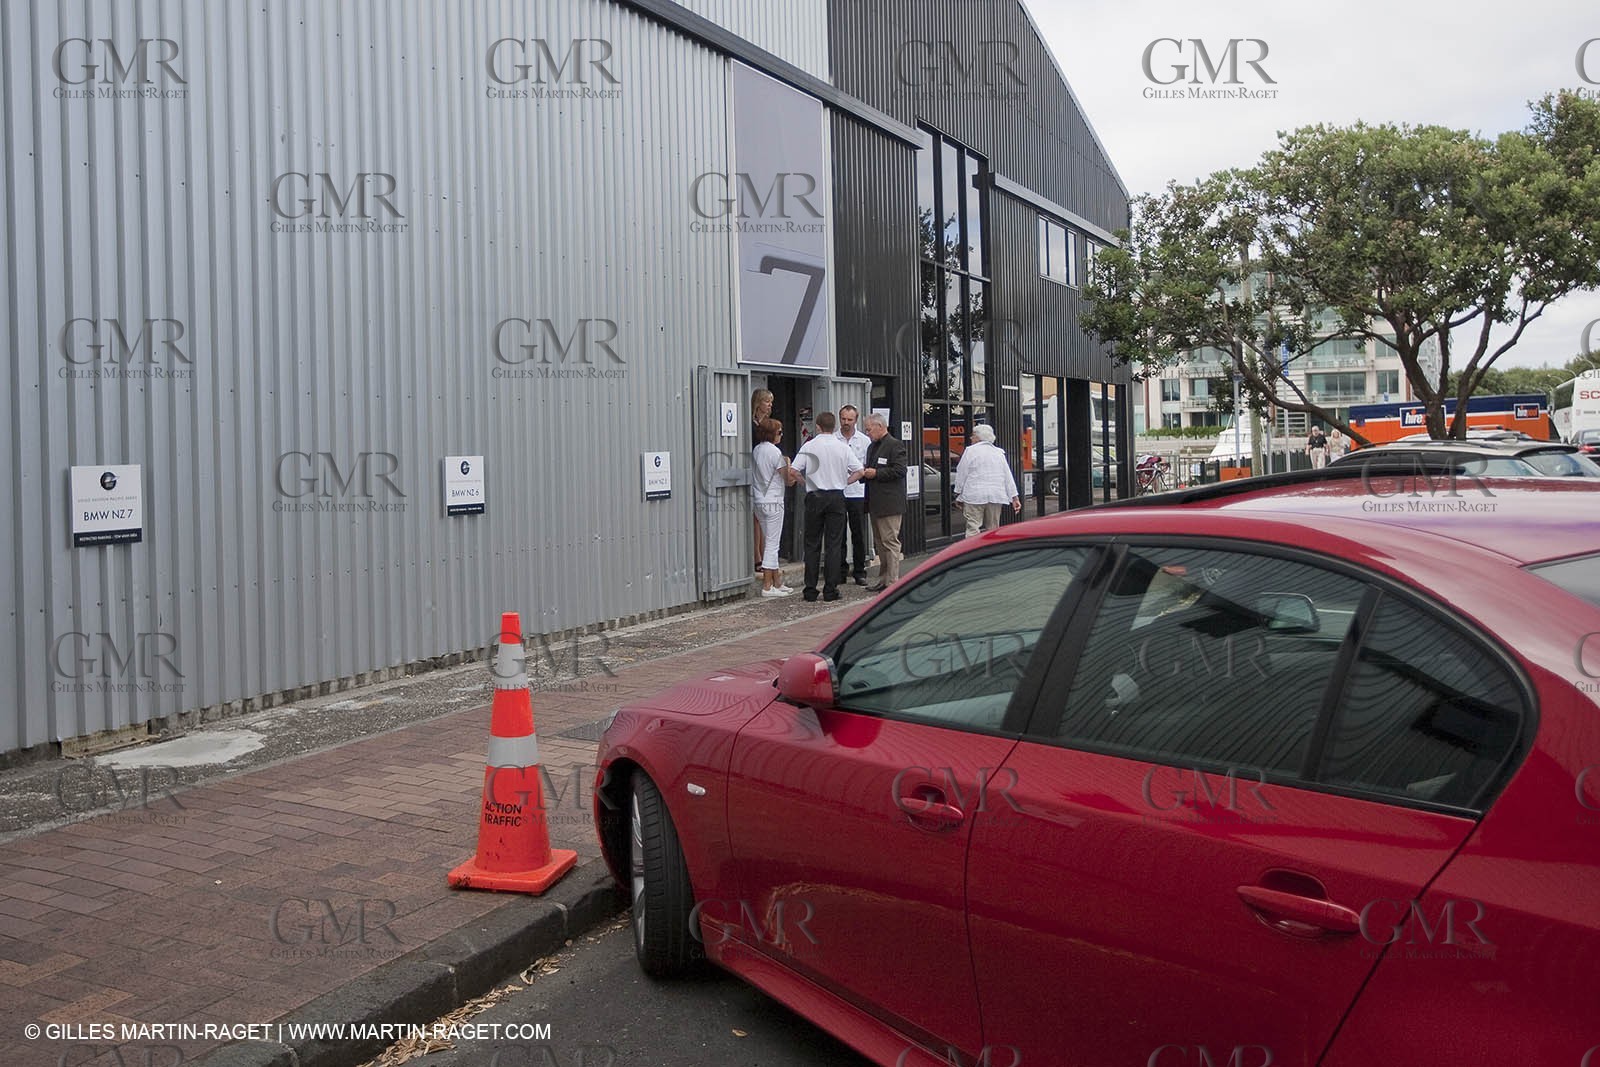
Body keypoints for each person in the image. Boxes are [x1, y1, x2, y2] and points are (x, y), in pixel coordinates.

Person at [789, 411, 864, 602]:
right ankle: (831, 589)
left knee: (812, 543)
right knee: (834, 544)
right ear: (834, 426)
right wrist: (844, 482)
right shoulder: (842, 447)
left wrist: (805, 483)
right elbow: (859, 471)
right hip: (836, 496)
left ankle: (810, 589)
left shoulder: (810, 446)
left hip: (815, 495)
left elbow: (793, 470)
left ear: (818, 426)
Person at [859, 413, 907, 592]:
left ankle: (893, 582)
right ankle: (883, 579)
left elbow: (900, 470)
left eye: (869, 429)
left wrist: (876, 473)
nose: (867, 432)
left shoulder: (895, 445)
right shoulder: (872, 447)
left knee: (890, 542)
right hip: (875, 503)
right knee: (880, 543)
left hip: (890, 503)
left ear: (880, 426)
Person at [953, 424, 1020, 539]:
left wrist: (958, 493)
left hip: (974, 495)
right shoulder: (999, 453)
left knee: (973, 528)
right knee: (993, 528)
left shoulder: (970, 451)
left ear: (979, 437)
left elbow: (962, 472)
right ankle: (992, 552)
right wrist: (1014, 497)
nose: (971, 438)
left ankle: (972, 552)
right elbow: (1007, 476)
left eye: (973, 435)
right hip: (996, 495)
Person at [751, 418, 793, 598]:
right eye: (779, 432)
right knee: (772, 544)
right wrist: (789, 462)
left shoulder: (757, 450)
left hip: (759, 499)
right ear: (772, 434)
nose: (781, 435)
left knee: (769, 539)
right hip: (774, 500)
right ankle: (767, 585)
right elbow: (788, 479)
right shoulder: (775, 453)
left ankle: (777, 581)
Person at [835, 405, 872, 586]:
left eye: (850, 420)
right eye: (843, 419)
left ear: (856, 420)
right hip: (838, 492)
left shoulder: (864, 441)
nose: (846, 423)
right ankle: (840, 571)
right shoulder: (834, 439)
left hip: (857, 492)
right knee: (838, 535)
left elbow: (866, 465)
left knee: (858, 533)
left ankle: (859, 571)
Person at [750, 389, 774, 571]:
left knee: (764, 516)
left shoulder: (768, 424)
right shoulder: (752, 423)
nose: (769, 405)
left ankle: (764, 554)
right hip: (754, 469)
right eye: (767, 401)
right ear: (758, 402)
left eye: (771, 402)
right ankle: (757, 556)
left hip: (765, 471)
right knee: (756, 517)